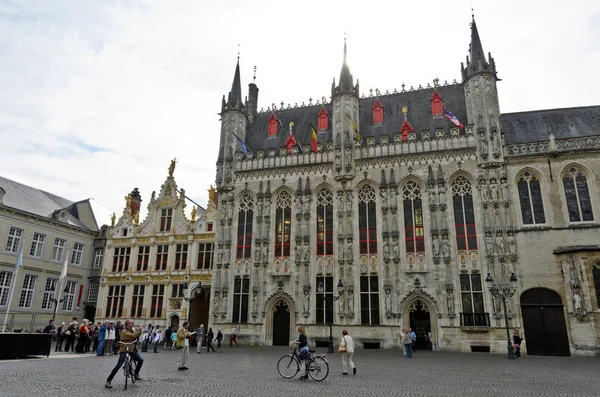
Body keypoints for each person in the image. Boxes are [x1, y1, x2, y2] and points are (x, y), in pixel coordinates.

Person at [105, 319, 144, 388]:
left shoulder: (132, 330)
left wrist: (137, 333)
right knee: (118, 365)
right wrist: (139, 330)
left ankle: (136, 374)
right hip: (124, 349)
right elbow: (134, 336)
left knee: (140, 360)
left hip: (132, 349)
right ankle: (108, 381)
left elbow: (136, 336)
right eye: (131, 323)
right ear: (127, 324)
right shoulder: (124, 332)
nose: (133, 324)